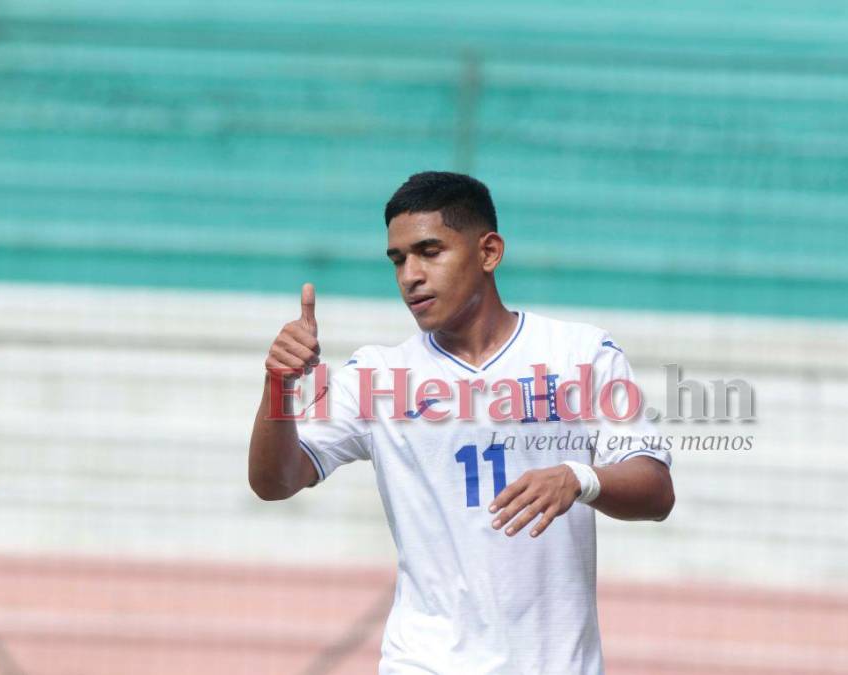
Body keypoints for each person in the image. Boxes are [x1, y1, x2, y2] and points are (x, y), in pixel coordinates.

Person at [248, 171, 675, 674]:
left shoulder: (579, 353)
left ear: (488, 252)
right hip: (426, 662)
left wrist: (579, 479)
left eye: (430, 251)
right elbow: (275, 482)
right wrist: (278, 385)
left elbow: (656, 490)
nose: (410, 275)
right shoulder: (377, 375)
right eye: (398, 259)